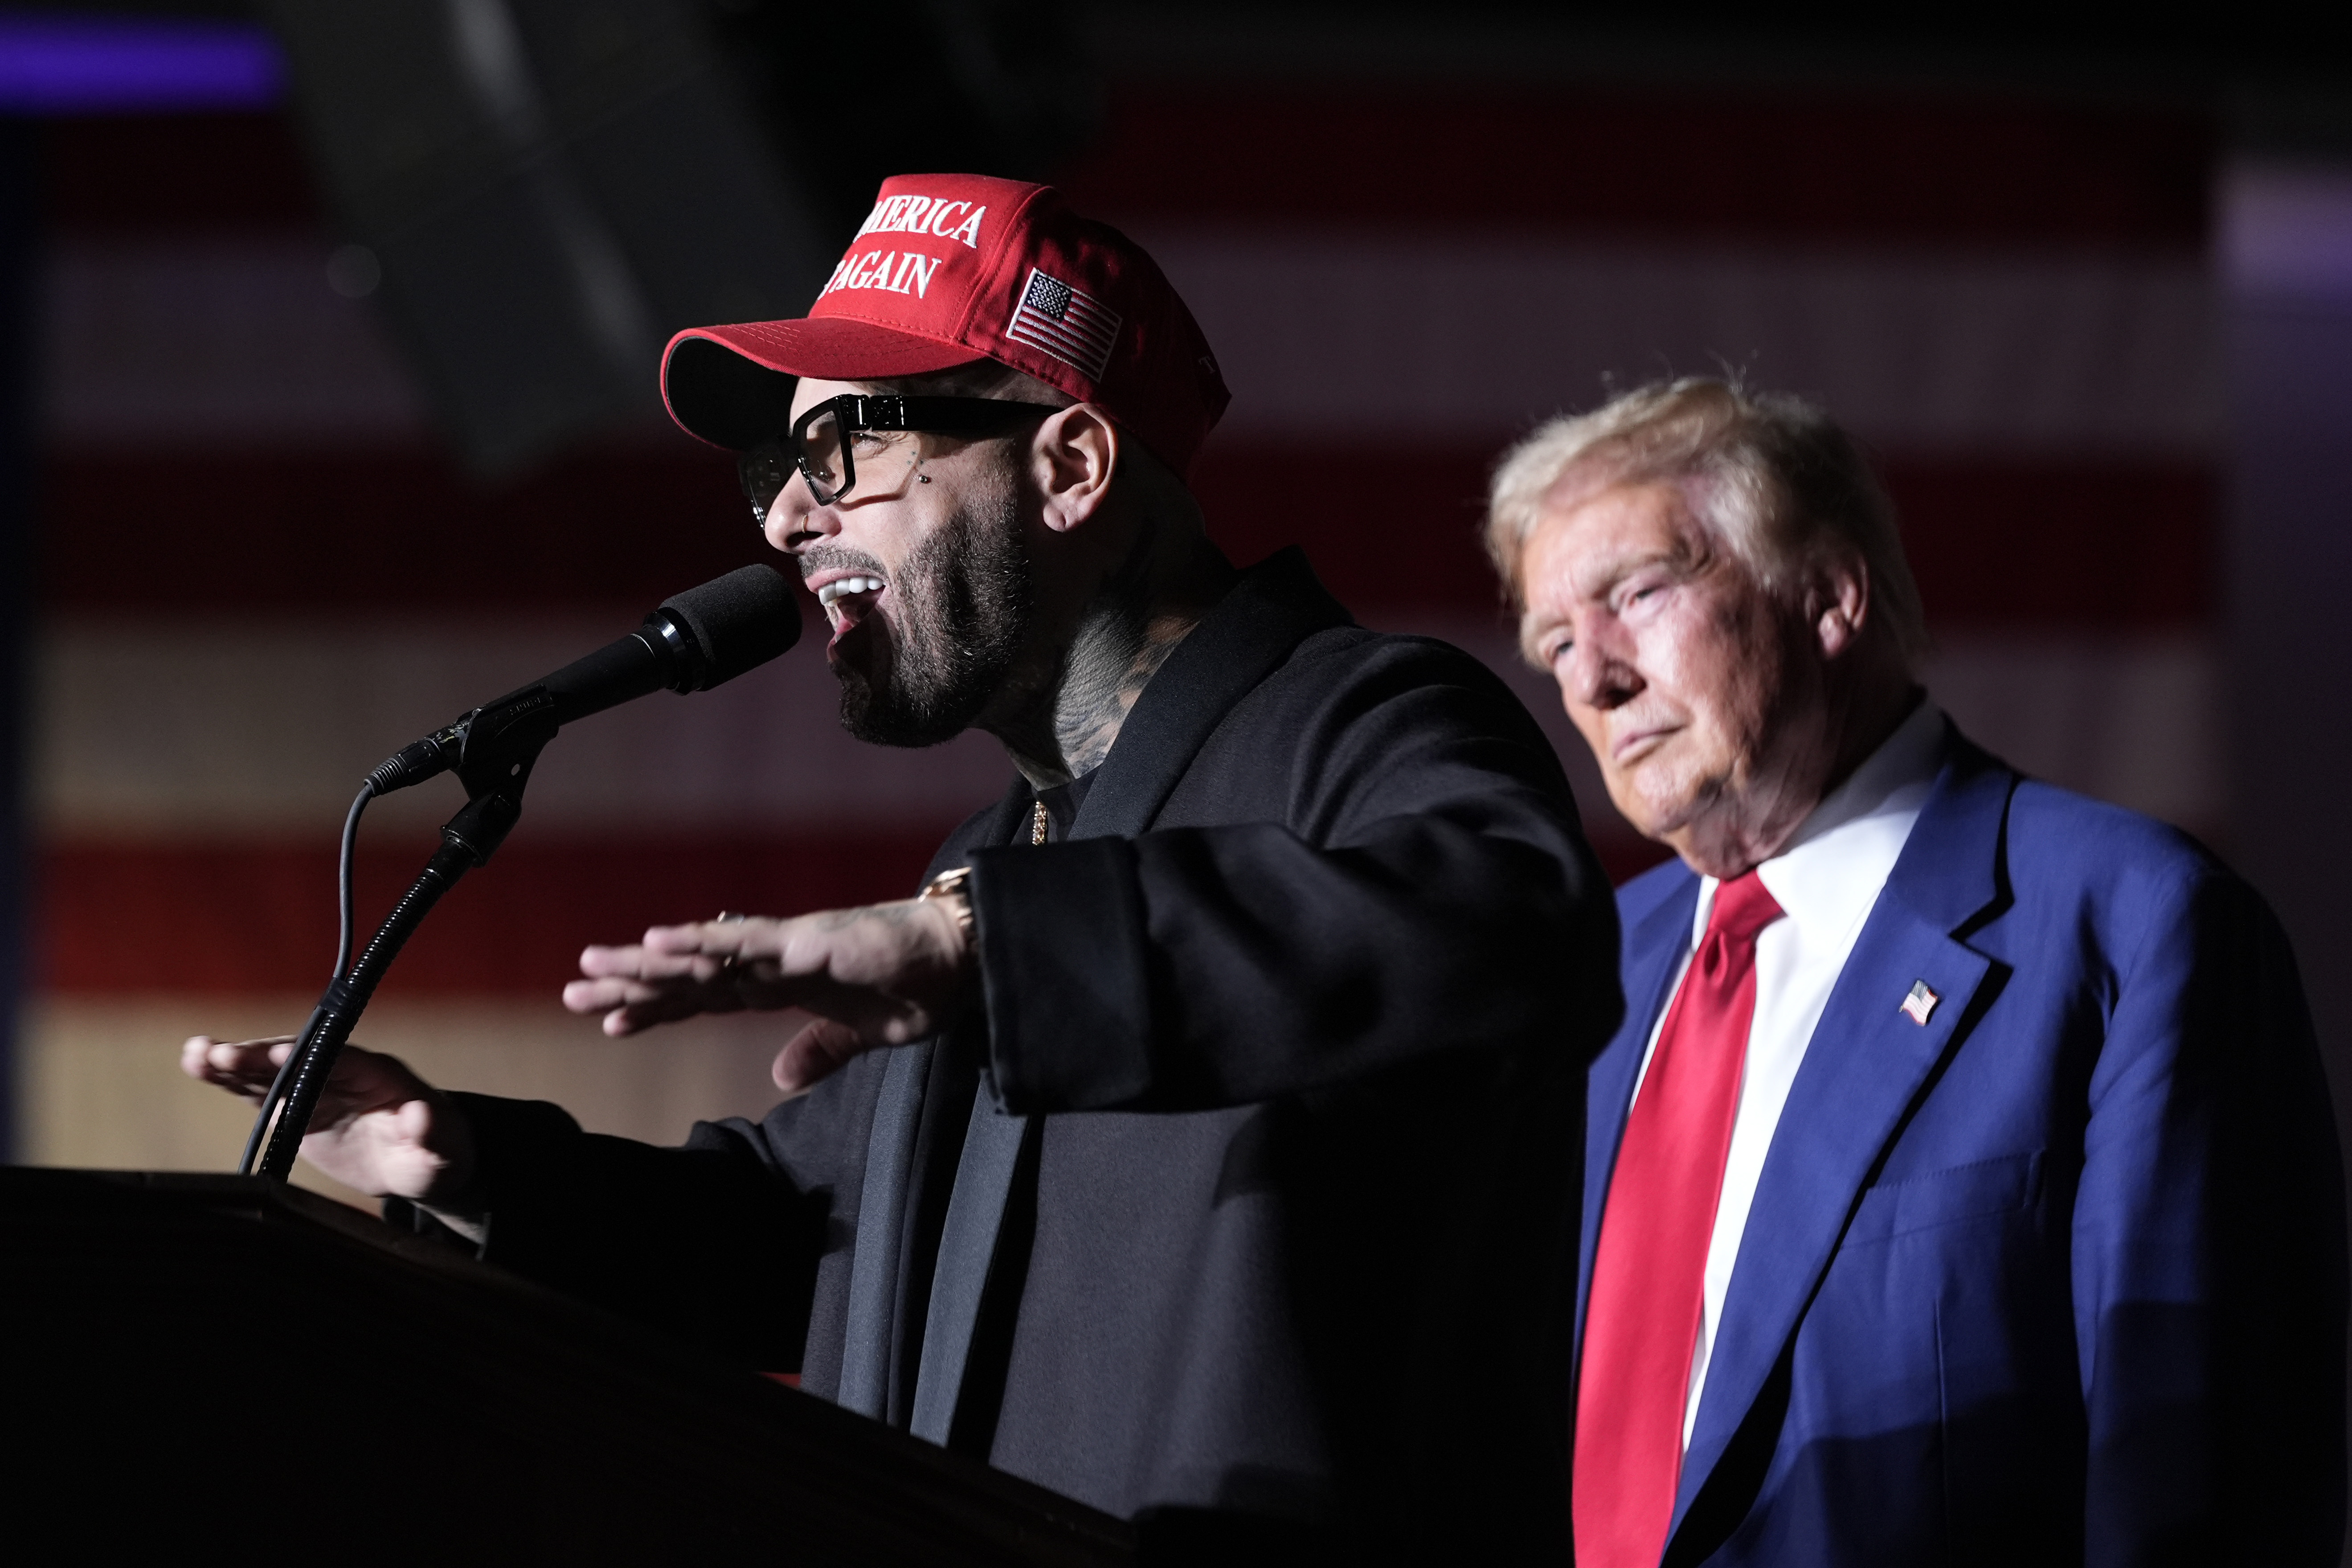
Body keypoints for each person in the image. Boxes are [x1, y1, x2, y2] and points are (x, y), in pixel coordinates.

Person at [185, 173, 1619, 1561]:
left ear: (1069, 465)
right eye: (780, 468)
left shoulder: (1363, 723)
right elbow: (804, 1237)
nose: (785, 521)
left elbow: (1515, 930)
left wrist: (985, 951)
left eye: (844, 451)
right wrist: (476, 1169)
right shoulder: (995, 855)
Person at [1487, 377, 2348, 1567]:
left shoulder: (2132, 927)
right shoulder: (1576, 978)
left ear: (1831, 596)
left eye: (1636, 595)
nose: (1594, 679)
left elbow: (2203, 1487)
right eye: (1555, 643)